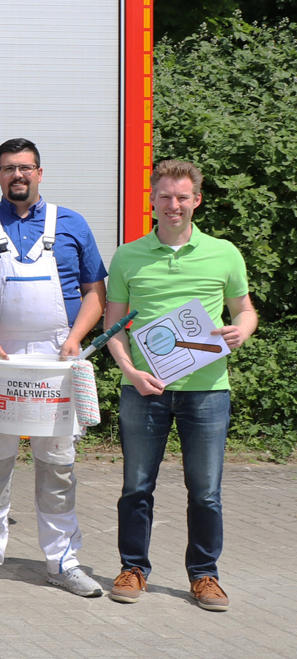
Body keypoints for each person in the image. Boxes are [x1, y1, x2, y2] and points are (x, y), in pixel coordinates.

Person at [103, 160, 257, 612]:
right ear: (151, 200)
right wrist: (130, 372)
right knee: (136, 486)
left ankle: (205, 575)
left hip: (208, 390)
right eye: (165, 196)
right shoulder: (128, 255)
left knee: (206, 490)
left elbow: (245, 310)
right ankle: (133, 568)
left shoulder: (224, 252)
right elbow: (114, 326)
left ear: (197, 200)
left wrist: (242, 330)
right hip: (144, 389)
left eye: (182, 197)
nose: (173, 205)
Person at [0, 139, 110, 597]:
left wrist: (75, 340)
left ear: (40, 173)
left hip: (56, 362)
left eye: (25, 168)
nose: (17, 175)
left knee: (58, 467)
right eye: (8, 168)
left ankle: (63, 561)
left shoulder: (72, 224)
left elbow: (95, 292)